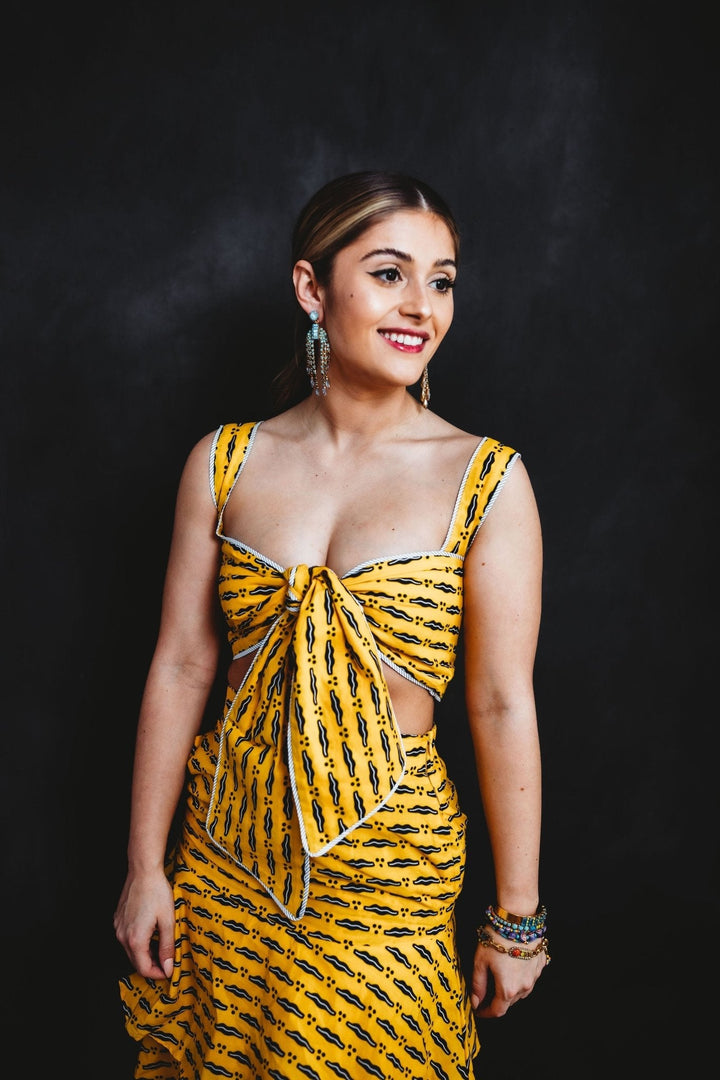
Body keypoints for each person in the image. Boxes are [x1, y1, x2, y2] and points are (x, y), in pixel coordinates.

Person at [114, 169, 548, 1080]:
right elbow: (182, 666)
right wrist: (145, 866)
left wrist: (517, 917)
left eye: (441, 281)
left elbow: (502, 703)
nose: (421, 306)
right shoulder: (224, 462)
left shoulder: (487, 478)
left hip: (389, 876)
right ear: (312, 288)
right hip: (226, 862)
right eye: (389, 273)